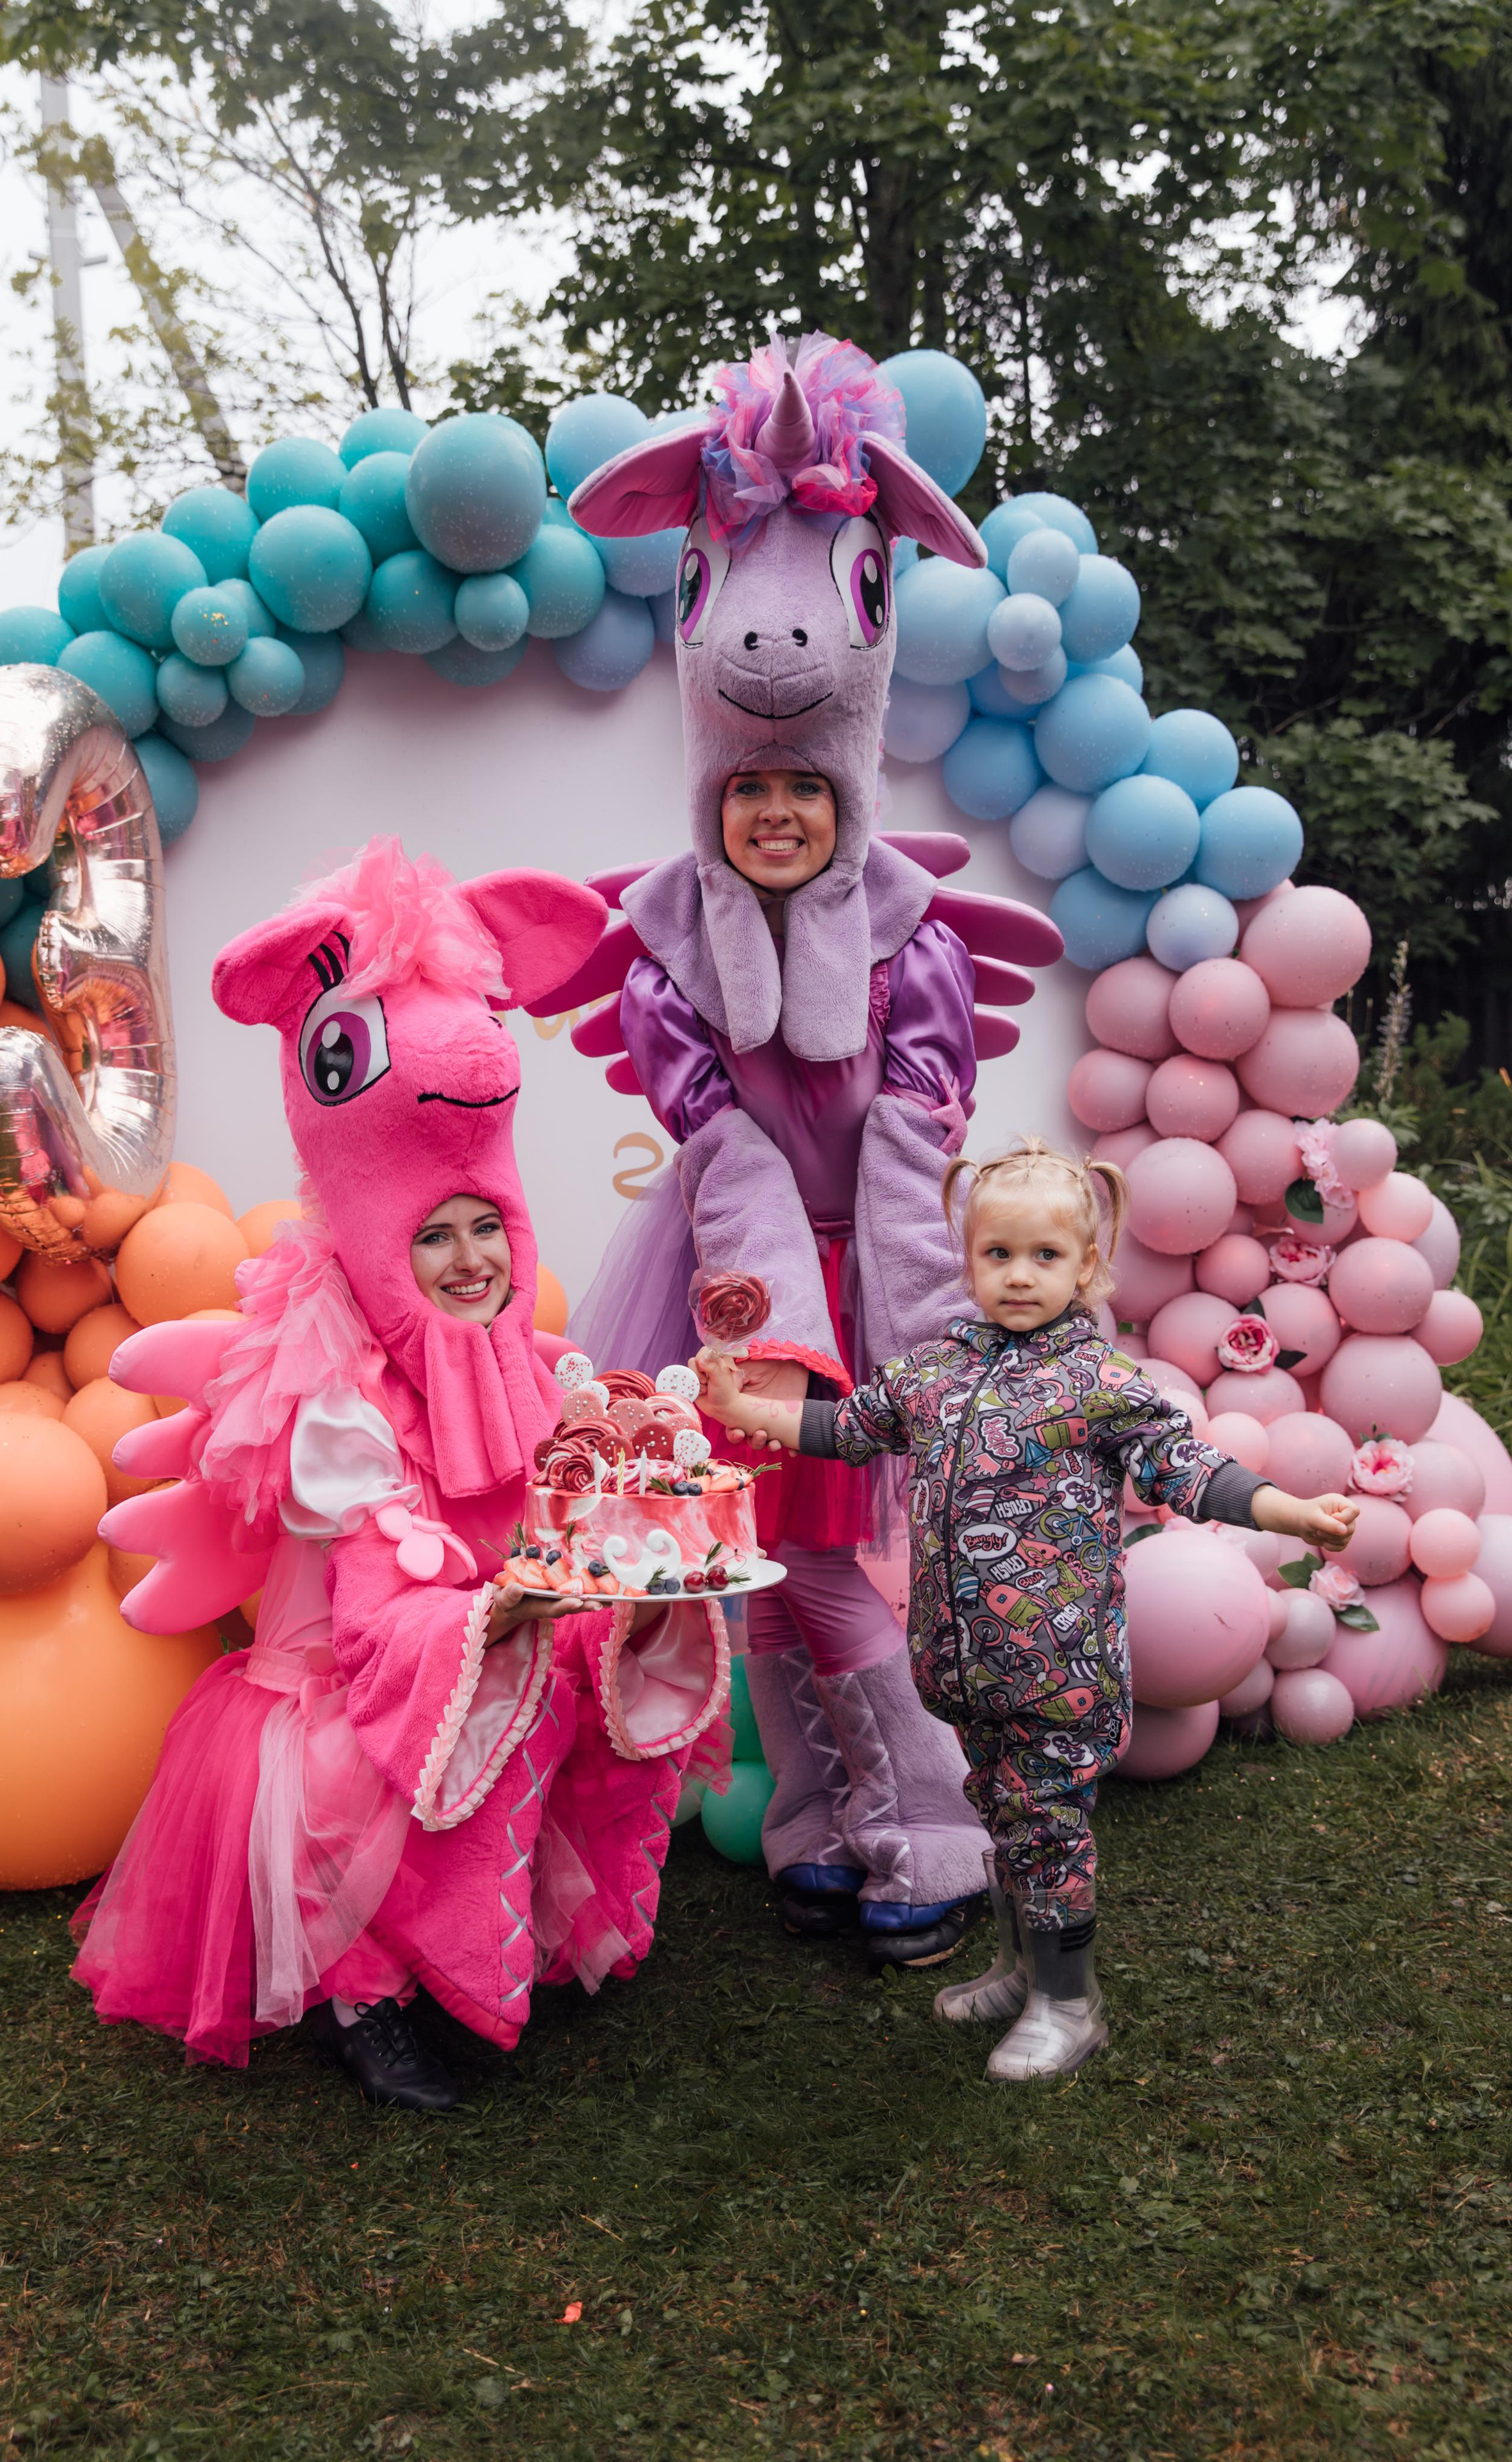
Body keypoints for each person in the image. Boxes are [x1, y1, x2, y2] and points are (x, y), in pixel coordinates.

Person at [72, 842, 729, 2111]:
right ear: (385, 1242)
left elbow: (557, 1511)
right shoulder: (329, 1377)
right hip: (348, 1675)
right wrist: (506, 1611)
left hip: (472, 1639)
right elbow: (383, 1590)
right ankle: (363, 1990)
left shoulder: (509, 1362)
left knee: (566, 1683)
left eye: (488, 1227)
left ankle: (485, 1936)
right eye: (435, 1235)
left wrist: (631, 1561)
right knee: (362, 1785)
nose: (471, 1257)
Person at [559, 331, 1068, 1967]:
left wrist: (910, 1343)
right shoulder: (668, 955)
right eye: (747, 791)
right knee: (763, 1572)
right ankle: (818, 1821)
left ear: (841, 791)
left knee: (842, 1570)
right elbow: (711, 1137)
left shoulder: (907, 941)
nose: (774, 809)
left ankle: (929, 1822)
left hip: (866, 1290)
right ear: (713, 798)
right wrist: (760, 1307)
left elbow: (916, 1139)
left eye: (801, 789)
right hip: (726, 1292)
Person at [695, 1137, 1359, 2081]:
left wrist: (1287, 1508)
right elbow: (844, 1429)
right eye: (997, 1254)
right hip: (965, 1667)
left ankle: (1069, 2002)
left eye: (1044, 1256)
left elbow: (1191, 1470)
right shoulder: (935, 1374)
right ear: (967, 1261)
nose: (1018, 1275)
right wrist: (747, 1408)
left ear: (1087, 1265)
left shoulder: (1102, 1386)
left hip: (1059, 1669)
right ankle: (1018, 1967)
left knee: (1048, 1826)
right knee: (1002, 1813)